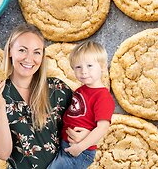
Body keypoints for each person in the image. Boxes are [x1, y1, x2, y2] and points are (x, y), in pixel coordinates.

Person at [0, 23, 88, 169]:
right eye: (22, 50)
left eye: (36, 52)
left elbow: (87, 119)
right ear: (10, 51)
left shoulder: (57, 89)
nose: (29, 59)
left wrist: (84, 134)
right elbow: (3, 153)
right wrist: (0, 106)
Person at [47, 41, 115, 169]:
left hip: (81, 152)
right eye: (78, 67)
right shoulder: (80, 90)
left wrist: (80, 147)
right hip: (65, 143)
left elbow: (103, 128)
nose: (84, 71)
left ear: (102, 67)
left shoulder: (103, 97)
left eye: (89, 65)